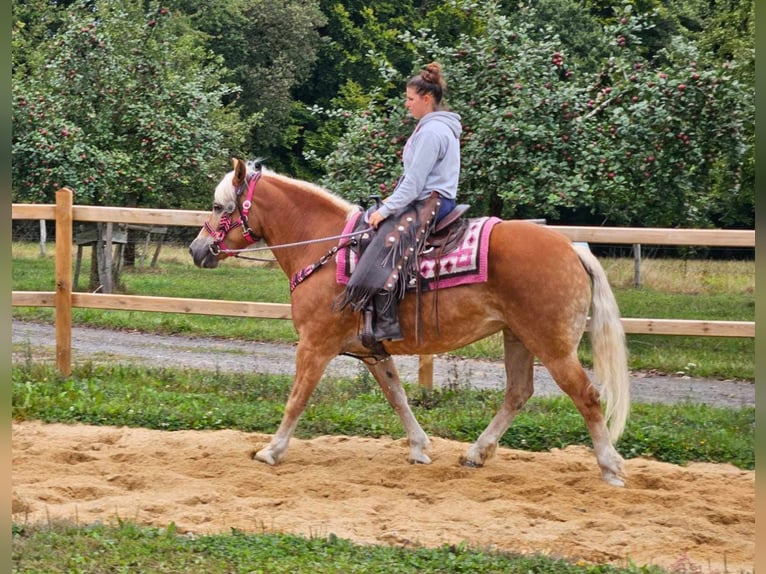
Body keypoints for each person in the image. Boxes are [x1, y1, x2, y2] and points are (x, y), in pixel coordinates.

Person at [336, 62, 463, 346]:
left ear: (426, 99)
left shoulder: (432, 132)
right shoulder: (437, 127)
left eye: (410, 99)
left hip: (429, 202)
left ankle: (386, 320)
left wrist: (386, 209)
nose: (407, 105)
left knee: (385, 241)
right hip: (433, 199)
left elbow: (414, 184)